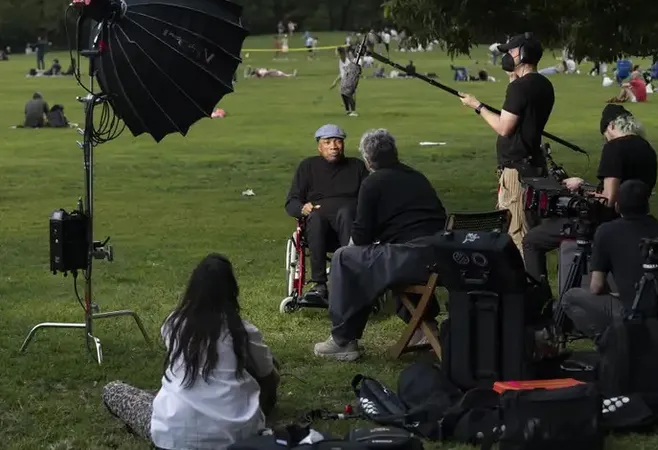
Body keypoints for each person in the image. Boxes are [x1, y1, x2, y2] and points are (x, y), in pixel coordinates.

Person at [102, 253, 280, 449]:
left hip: (174, 435)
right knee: (268, 365)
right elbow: (270, 378)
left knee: (113, 390)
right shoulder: (244, 332)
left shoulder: (174, 324)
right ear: (232, 291)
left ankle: (162, 402)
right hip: (237, 436)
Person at [313, 129, 447, 361]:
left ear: (367, 159)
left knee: (344, 258)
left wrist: (352, 251)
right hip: (440, 255)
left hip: (413, 258)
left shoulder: (372, 183)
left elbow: (361, 236)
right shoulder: (416, 176)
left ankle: (343, 340)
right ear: (395, 153)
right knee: (380, 260)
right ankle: (424, 327)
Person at [522, 104, 658, 283]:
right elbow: (623, 188)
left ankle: (539, 297)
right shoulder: (647, 148)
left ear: (610, 126)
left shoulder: (614, 148)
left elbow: (608, 200)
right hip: (636, 217)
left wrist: (582, 191)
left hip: (604, 222)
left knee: (532, 240)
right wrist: (585, 185)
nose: (606, 140)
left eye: (605, 135)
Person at [560, 180, 658, 345]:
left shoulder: (606, 231)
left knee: (570, 297)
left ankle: (613, 345)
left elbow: (596, 287)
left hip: (637, 315)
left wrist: (613, 295)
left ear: (617, 206)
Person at [458, 32, 556, 253]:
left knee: (517, 232)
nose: (508, 56)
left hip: (517, 170)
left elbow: (504, 127)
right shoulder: (543, 84)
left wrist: (477, 106)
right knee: (531, 229)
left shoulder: (519, 88)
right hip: (534, 164)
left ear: (523, 54)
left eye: (511, 51)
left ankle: (524, 283)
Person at [285, 124, 368, 301]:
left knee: (346, 213)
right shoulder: (308, 167)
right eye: (328, 142)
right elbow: (291, 202)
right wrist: (302, 208)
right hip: (319, 229)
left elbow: (370, 199)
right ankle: (319, 285)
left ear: (343, 144)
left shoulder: (357, 167)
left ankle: (350, 281)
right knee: (316, 218)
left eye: (338, 141)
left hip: (350, 227)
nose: (333, 146)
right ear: (319, 147)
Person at [329, 47, 359, 116]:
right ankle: (347, 110)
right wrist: (335, 82)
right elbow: (342, 73)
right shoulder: (340, 61)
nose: (335, 53)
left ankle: (354, 111)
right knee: (343, 94)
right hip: (344, 80)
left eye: (336, 51)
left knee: (350, 94)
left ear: (340, 53)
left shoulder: (348, 61)